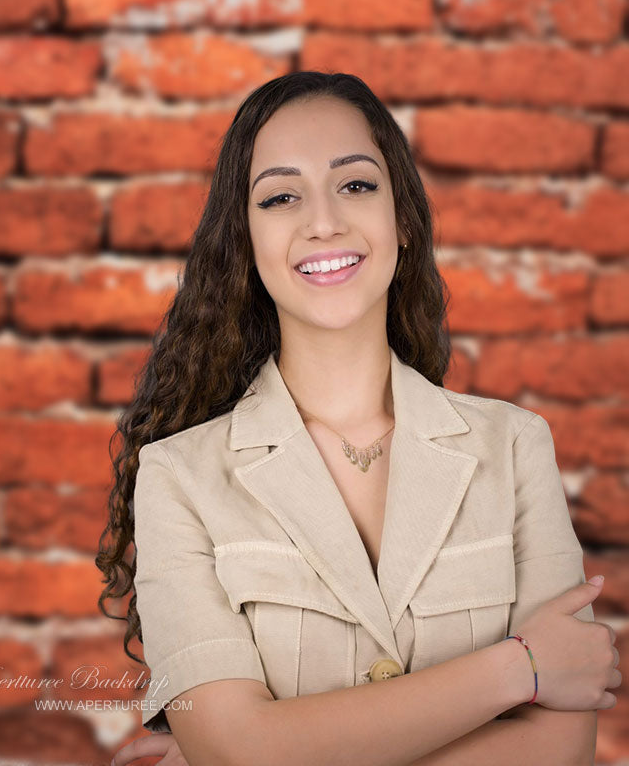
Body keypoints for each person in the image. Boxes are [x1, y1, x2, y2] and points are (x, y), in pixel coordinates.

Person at [96, 71, 621, 766]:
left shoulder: (515, 447)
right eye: (281, 197)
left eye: (356, 185)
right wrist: (519, 669)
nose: (323, 222)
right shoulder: (178, 478)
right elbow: (236, 751)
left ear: (401, 216)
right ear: (245, 242)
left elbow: (561, 749)